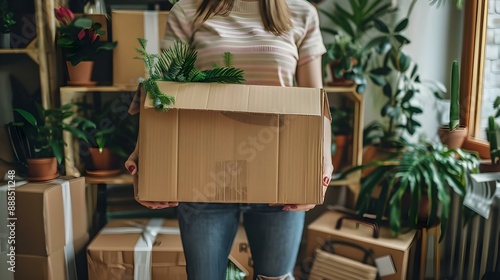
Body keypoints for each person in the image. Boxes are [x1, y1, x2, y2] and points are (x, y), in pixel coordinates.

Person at [125, 0, 333, 279]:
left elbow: (315, 100)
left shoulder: (301, 12)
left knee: (276, 277)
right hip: (202, 175)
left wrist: (323, 162)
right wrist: (144, 155)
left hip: (281, 172)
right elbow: (162, 93)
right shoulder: (187, 10)